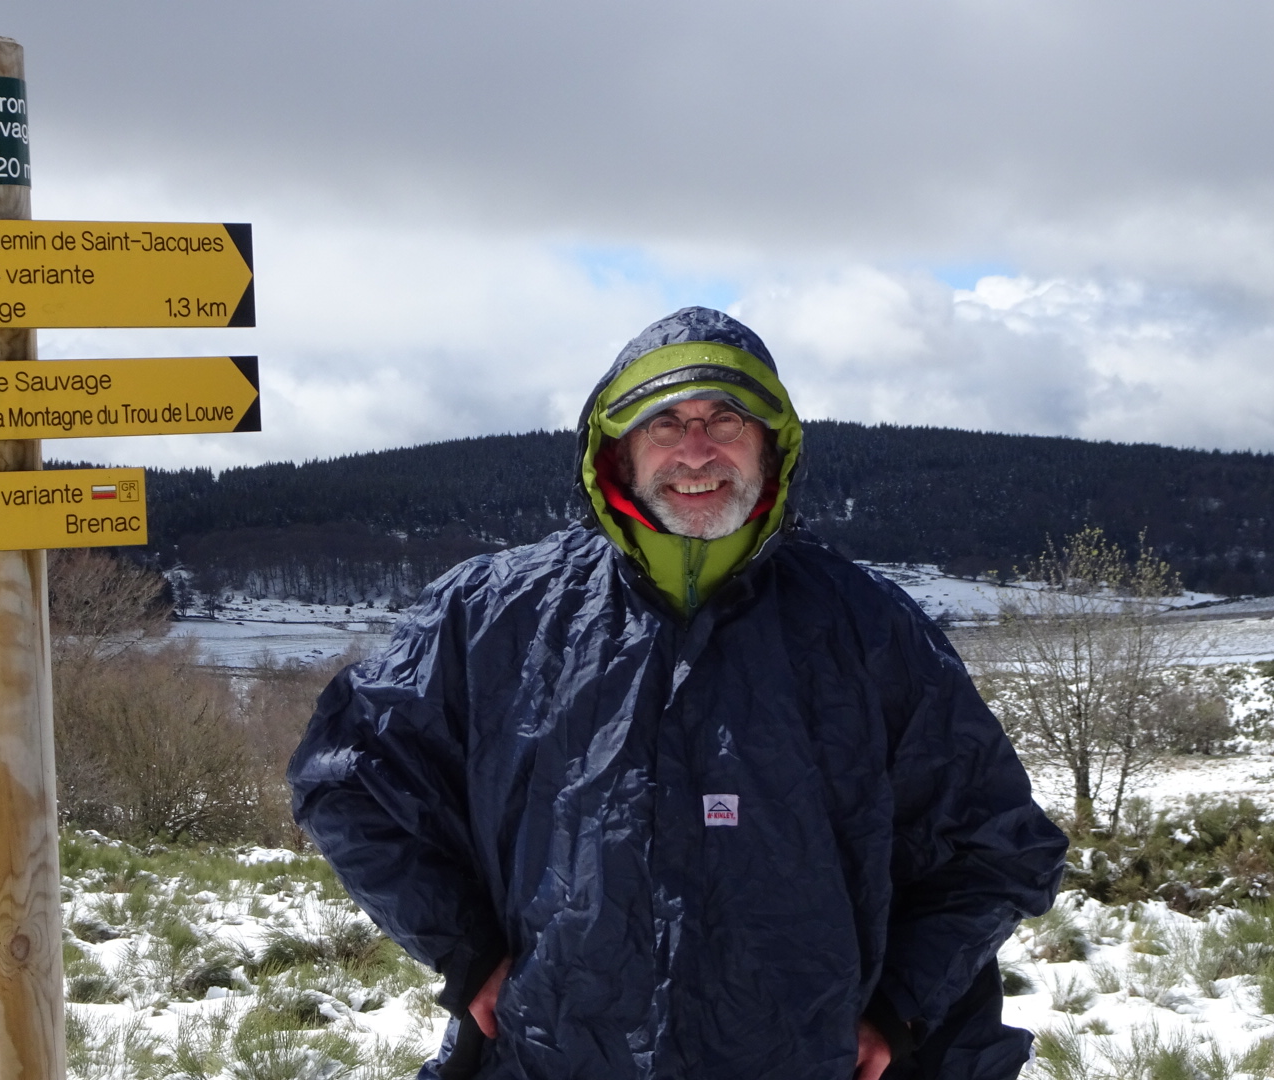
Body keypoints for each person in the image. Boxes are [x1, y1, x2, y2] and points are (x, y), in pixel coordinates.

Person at [288, 307, 1068, 1080]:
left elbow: (995, 843)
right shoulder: (494, 614)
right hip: (554, 1058)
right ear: (619, 452)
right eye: (664, 424)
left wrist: (899, 1006)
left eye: (726, 420)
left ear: (771, 445)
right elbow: (347, 777)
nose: (696, 451)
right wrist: (468, 949)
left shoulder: (867, 627)